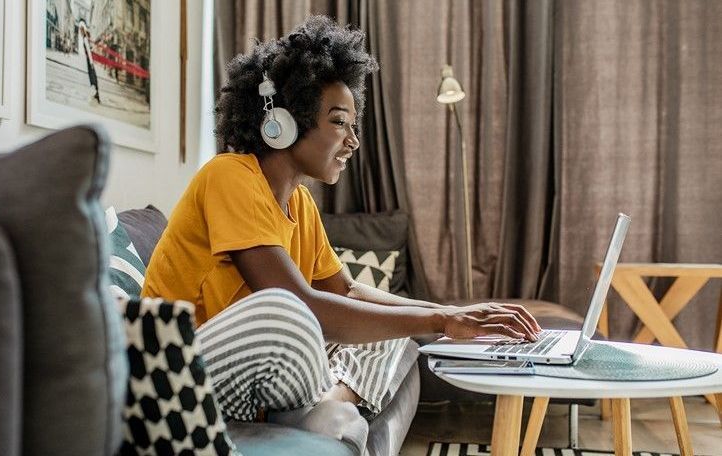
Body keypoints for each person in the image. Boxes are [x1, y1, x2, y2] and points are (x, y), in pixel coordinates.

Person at [142, 15, 541, 449]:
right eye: (338, 122)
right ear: (285, 121)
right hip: (178, 374)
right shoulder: (229, 176)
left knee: (393, 329)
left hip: (253, 379)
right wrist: (440, 319)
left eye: (354, 125)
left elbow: (347, 293)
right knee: (286, 312)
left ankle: (330, 403)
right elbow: (301, 307)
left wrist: (449, 317)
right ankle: (322, 410)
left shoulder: (300, 204)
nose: (353, 140)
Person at [77, 19, 100, 104]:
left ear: (83, 28)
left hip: (89, 61)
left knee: (92, 78)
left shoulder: (85, 38)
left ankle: (96, 95)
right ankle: (96, 95)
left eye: (80, 28)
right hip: (89, 60)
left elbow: (89, 51)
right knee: (92, 77)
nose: (80, 30)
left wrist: (91, 63)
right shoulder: (85, 37)